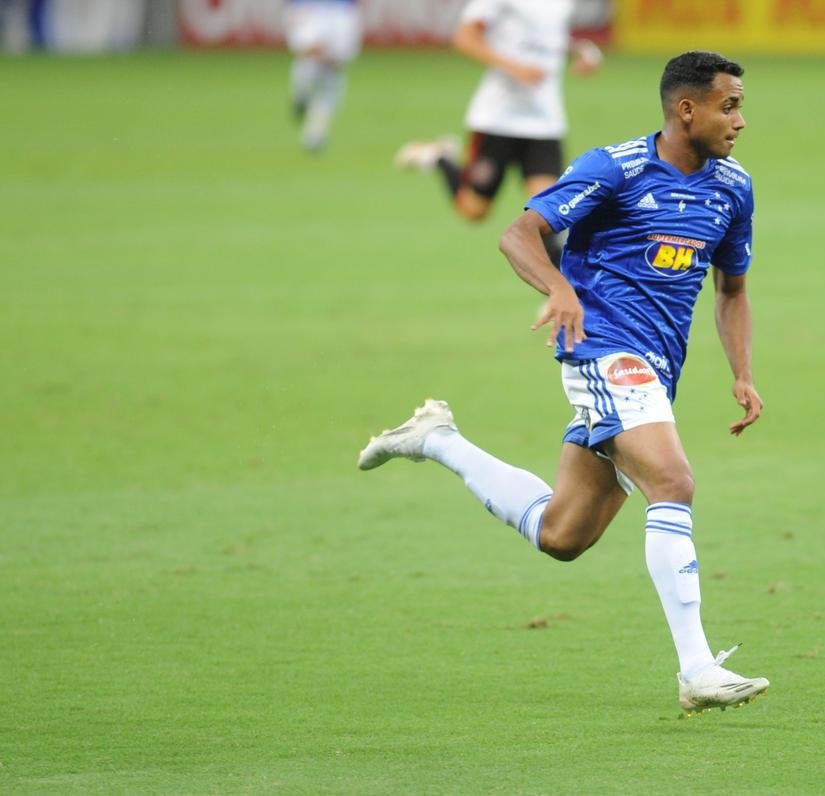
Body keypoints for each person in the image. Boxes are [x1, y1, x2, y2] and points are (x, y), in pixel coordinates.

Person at [360, 51, 768, 714]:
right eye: (729, 106)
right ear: (686, 109)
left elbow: (733, 290)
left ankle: (436, 439)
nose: (740, 120)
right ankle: (697, 669)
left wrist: (743, 373)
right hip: (601, 349)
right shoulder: (616, 168)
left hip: (656, 370)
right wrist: (559, 288)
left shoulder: (733, 187)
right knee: (673, 482)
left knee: (562, 535)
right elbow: (519, 233)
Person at [395, 0, 602, 266]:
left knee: (551, 217)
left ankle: (563, 290)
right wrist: (513, 67)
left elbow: (547, 37)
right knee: (473, 210)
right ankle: (438, 157)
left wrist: (582, 51)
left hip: (545, 123)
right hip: (497, 120)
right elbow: (464, 38)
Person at [285, 0, 362, 152]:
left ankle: (316, 132)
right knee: (310, 56)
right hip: (308, 7)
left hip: (342, 9)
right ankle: (302, 93)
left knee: (335, 67)